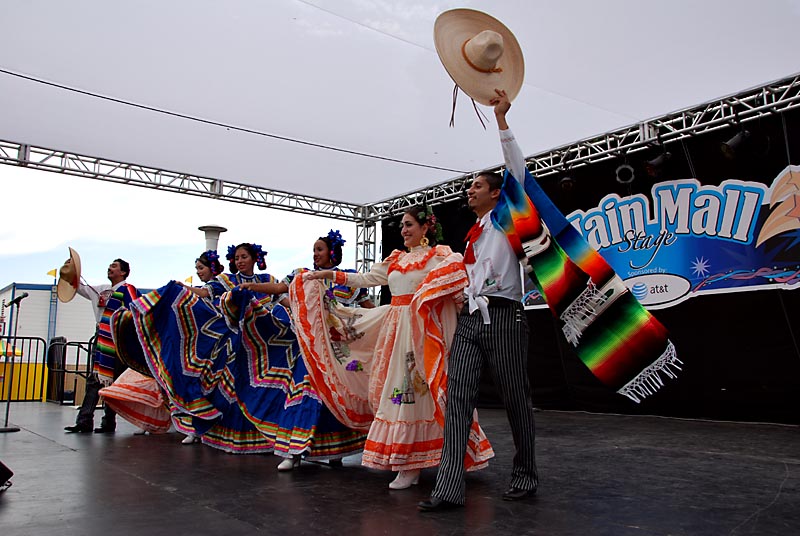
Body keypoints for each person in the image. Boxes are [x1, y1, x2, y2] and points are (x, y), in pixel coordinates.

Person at [292, 208, 494, 489]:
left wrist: (426, 296)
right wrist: (329, 274)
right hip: (396, 331)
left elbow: (458, 274)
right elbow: (366, 280)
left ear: (426, 228)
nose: (404, 230)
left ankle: (433, 459)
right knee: (400, 390)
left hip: (423, 330)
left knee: (424, 388)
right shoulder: (396, 259)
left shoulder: (440, 256)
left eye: (409, 225)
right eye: (402, 226)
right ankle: (407, 462)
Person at [235, 232, 373, 470]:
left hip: (339, 351)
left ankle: (336, 449)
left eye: (319, 249)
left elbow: (367, 307)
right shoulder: (302, 276)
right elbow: (280, 288)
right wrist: (252, 286)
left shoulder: (346, 278)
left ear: (331, 252)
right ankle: (294, 451)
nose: (315, 254)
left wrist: (388, 316)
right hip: (309, 348)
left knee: (336, 395)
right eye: (313, 250)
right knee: (304, 391)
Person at [64, 257, 140, 433]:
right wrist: (70, 271)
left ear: (123, 272)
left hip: (118, 338)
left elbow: (136, 311)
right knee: (96, 378)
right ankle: (85, 421)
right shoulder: (99, 290)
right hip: (101, 337)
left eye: (114, 266)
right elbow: (79, 287)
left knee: (112, 380)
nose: (109, 268)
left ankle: (107, 421)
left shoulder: (129, 290)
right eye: (109, 265)